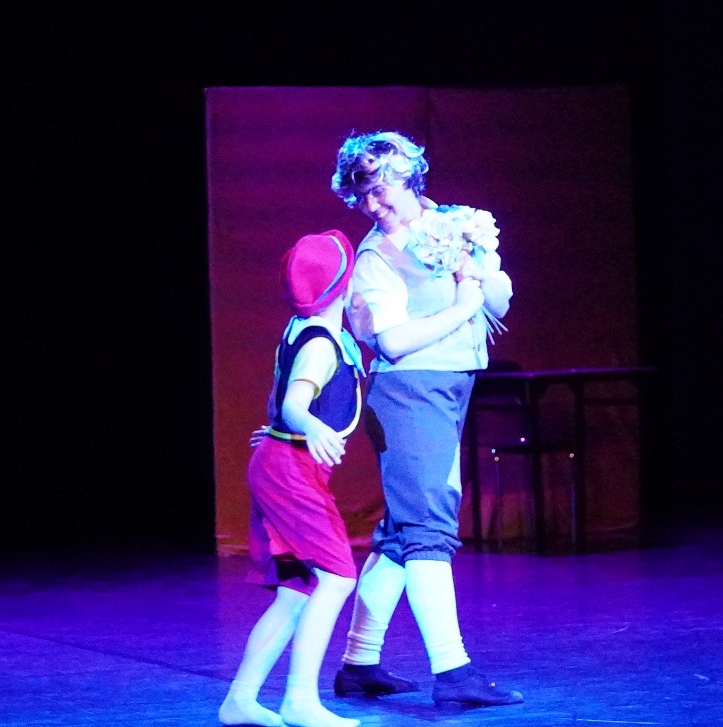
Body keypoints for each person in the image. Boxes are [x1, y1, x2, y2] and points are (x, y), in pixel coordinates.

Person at [326, 130, 523, 708]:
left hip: (450, 385)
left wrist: (477, 268)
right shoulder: (374, 259)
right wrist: (462, 305)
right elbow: (391, 341)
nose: (372, 204)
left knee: (400, 532)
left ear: (408, 178)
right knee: (428, 529)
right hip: (409, 392)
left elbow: (499, 303)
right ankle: (453, 671)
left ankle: (359, 663)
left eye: (380, 189)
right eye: (362, 195)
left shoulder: (451, 224)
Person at [219, 230, 366, 727]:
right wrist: (308, 427)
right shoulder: (321, 344)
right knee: (338, 577)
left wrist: (282, 433)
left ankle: (240, 700)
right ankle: (300, 699)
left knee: (297, 590)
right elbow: (293, 403)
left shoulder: (302, 327)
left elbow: (279, 403)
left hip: (281, 463)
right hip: (292, 472)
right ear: (345, 285)